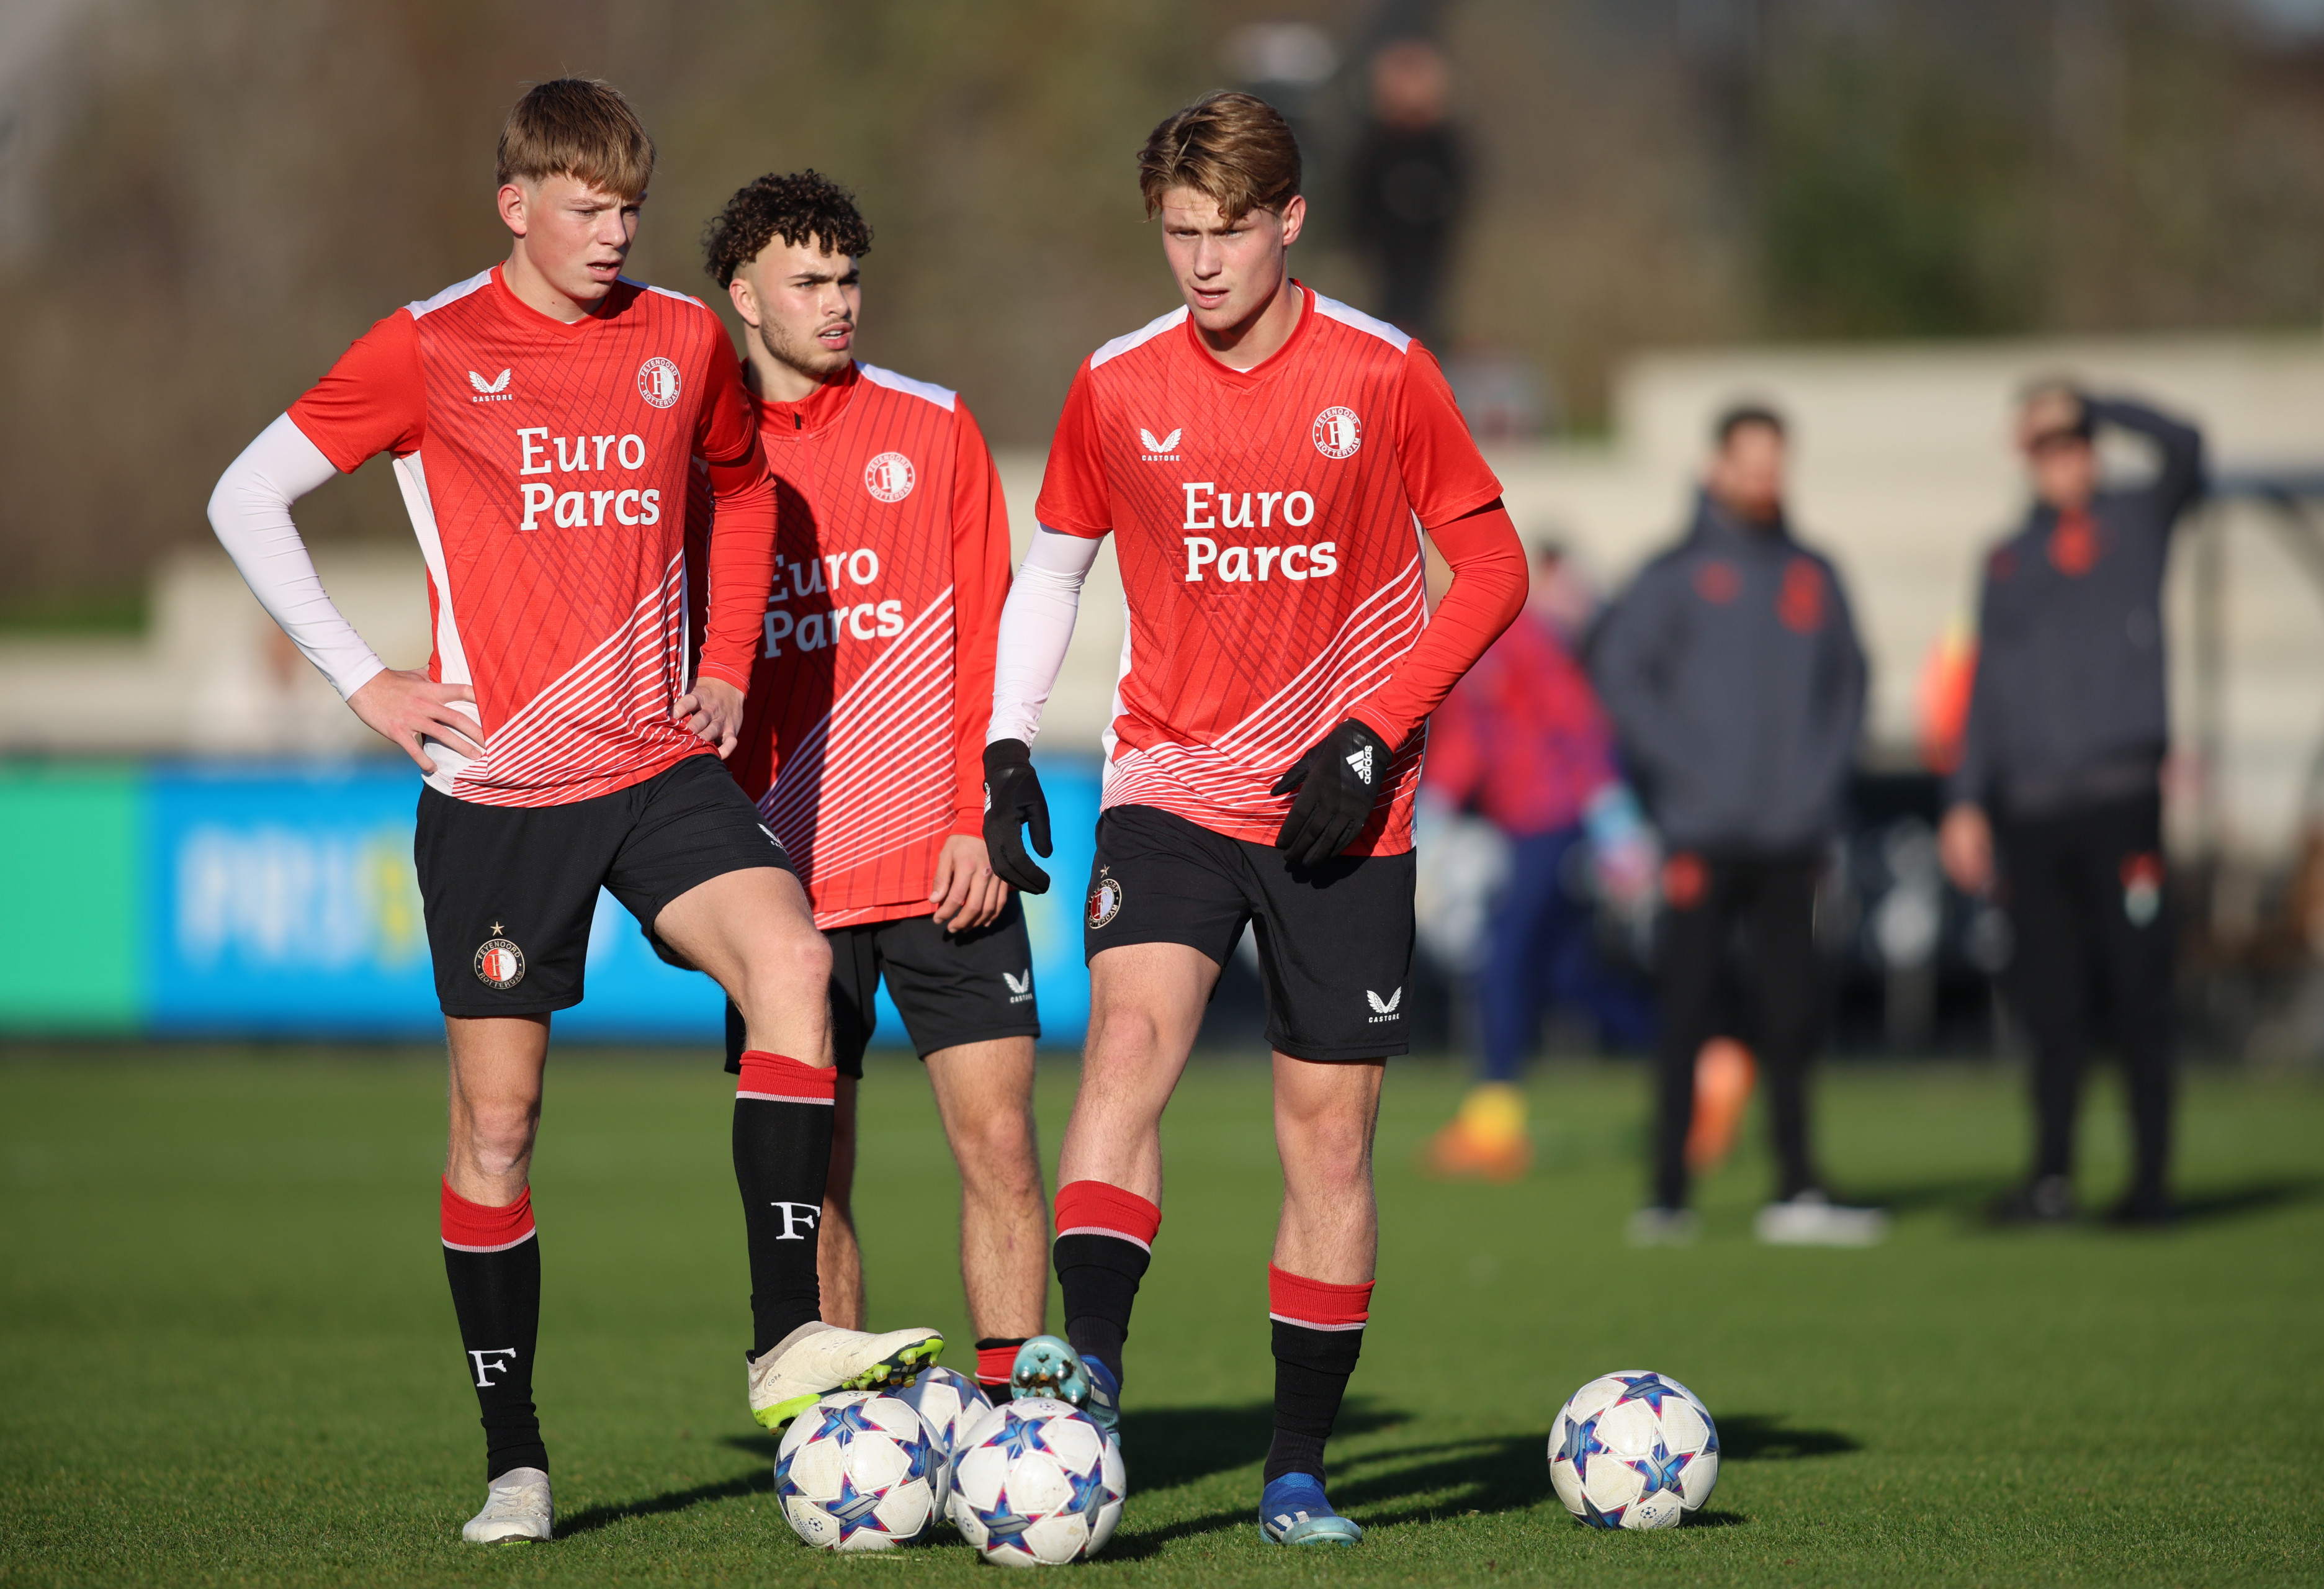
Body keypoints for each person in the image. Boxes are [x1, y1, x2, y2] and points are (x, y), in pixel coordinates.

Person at [203, 80, 943, 1547]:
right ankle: (515, 1457)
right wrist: (362, 677)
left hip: (654, 763)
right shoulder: (429, 346)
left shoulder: (677, 339)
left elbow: (742, 492)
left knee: (791, 962)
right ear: (516, 205)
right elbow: (247, 494)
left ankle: (785, 1333)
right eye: (584, 208)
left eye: (627, 209)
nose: (611, 235)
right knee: (497, 1124)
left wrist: (725, 662)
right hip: (499, 791)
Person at [977, 91, 1527, 1546]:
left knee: (1328, 1139)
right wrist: (1003, 738)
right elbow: (1051, 571)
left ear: (1288, 220)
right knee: (1131, 1041)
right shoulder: (1113, 382)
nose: (1201, 263)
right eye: (1176, 233)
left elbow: (1488, 572)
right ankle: (1086, 1369)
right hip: (1168, 777)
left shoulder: (1386, 373)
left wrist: (1372, 728)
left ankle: (1296, 1463)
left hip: (1347, 804)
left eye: (1227, 231)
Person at [692, 170, 1046, 1398]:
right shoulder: (701, 464)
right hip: (783, 886)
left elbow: (990, 642)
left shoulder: (932, 424)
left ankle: (1009, 1419)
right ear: (745, 296)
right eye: (811, 282)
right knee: (817, 1174)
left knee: (998, 1140)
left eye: (850, 279)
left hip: (942, 861)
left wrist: (971, 816)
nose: (840, 304)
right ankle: (841, 1432)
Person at [1590, 404, 1884, 1248]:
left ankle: (1798, 1187)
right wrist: (1685, 773)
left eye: (1775, 461)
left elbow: (1851, 686)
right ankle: (1669, 1192)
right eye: (1749, 460)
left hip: (1794, 834)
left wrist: (1818, 783)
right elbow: (1620, 676)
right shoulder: (1672, 575)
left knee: (1792, 1013)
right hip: (1701, 830)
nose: (1763, 477)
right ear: (1716, 465)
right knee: (1686, 1011)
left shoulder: (1814, 575)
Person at [1939, 382, 2202, 1227]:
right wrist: (1966, 800)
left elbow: (2189, 444)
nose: (2061, 461)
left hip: (2119, 800)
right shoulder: (2007, 559)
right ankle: (2051, 1178)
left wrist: (2088, 398)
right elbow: (1984, 687)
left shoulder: (2136, 523)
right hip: (2031, 809)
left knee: (2137, 989)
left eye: (2072, 442)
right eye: (2045, 447)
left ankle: (2152, 1182)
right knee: (2051, 1002)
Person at [1420, 544, 1656, 1181]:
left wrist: (1614, 818)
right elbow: (1469, 740)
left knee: (1504, 958)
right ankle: (1696, 1059)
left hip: (1552, 819)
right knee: (1568, 975)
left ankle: (1494, 1125)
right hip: (1529, 820)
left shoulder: (1512, 630)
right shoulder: (1472, 634)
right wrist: (1434, 813)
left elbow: (1575, 723)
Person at [1347, 37, 1468, 349]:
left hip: (1435, 283)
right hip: (1377, 281)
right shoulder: (1371, 149)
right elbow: (1355, 221)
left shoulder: (1449, 148)